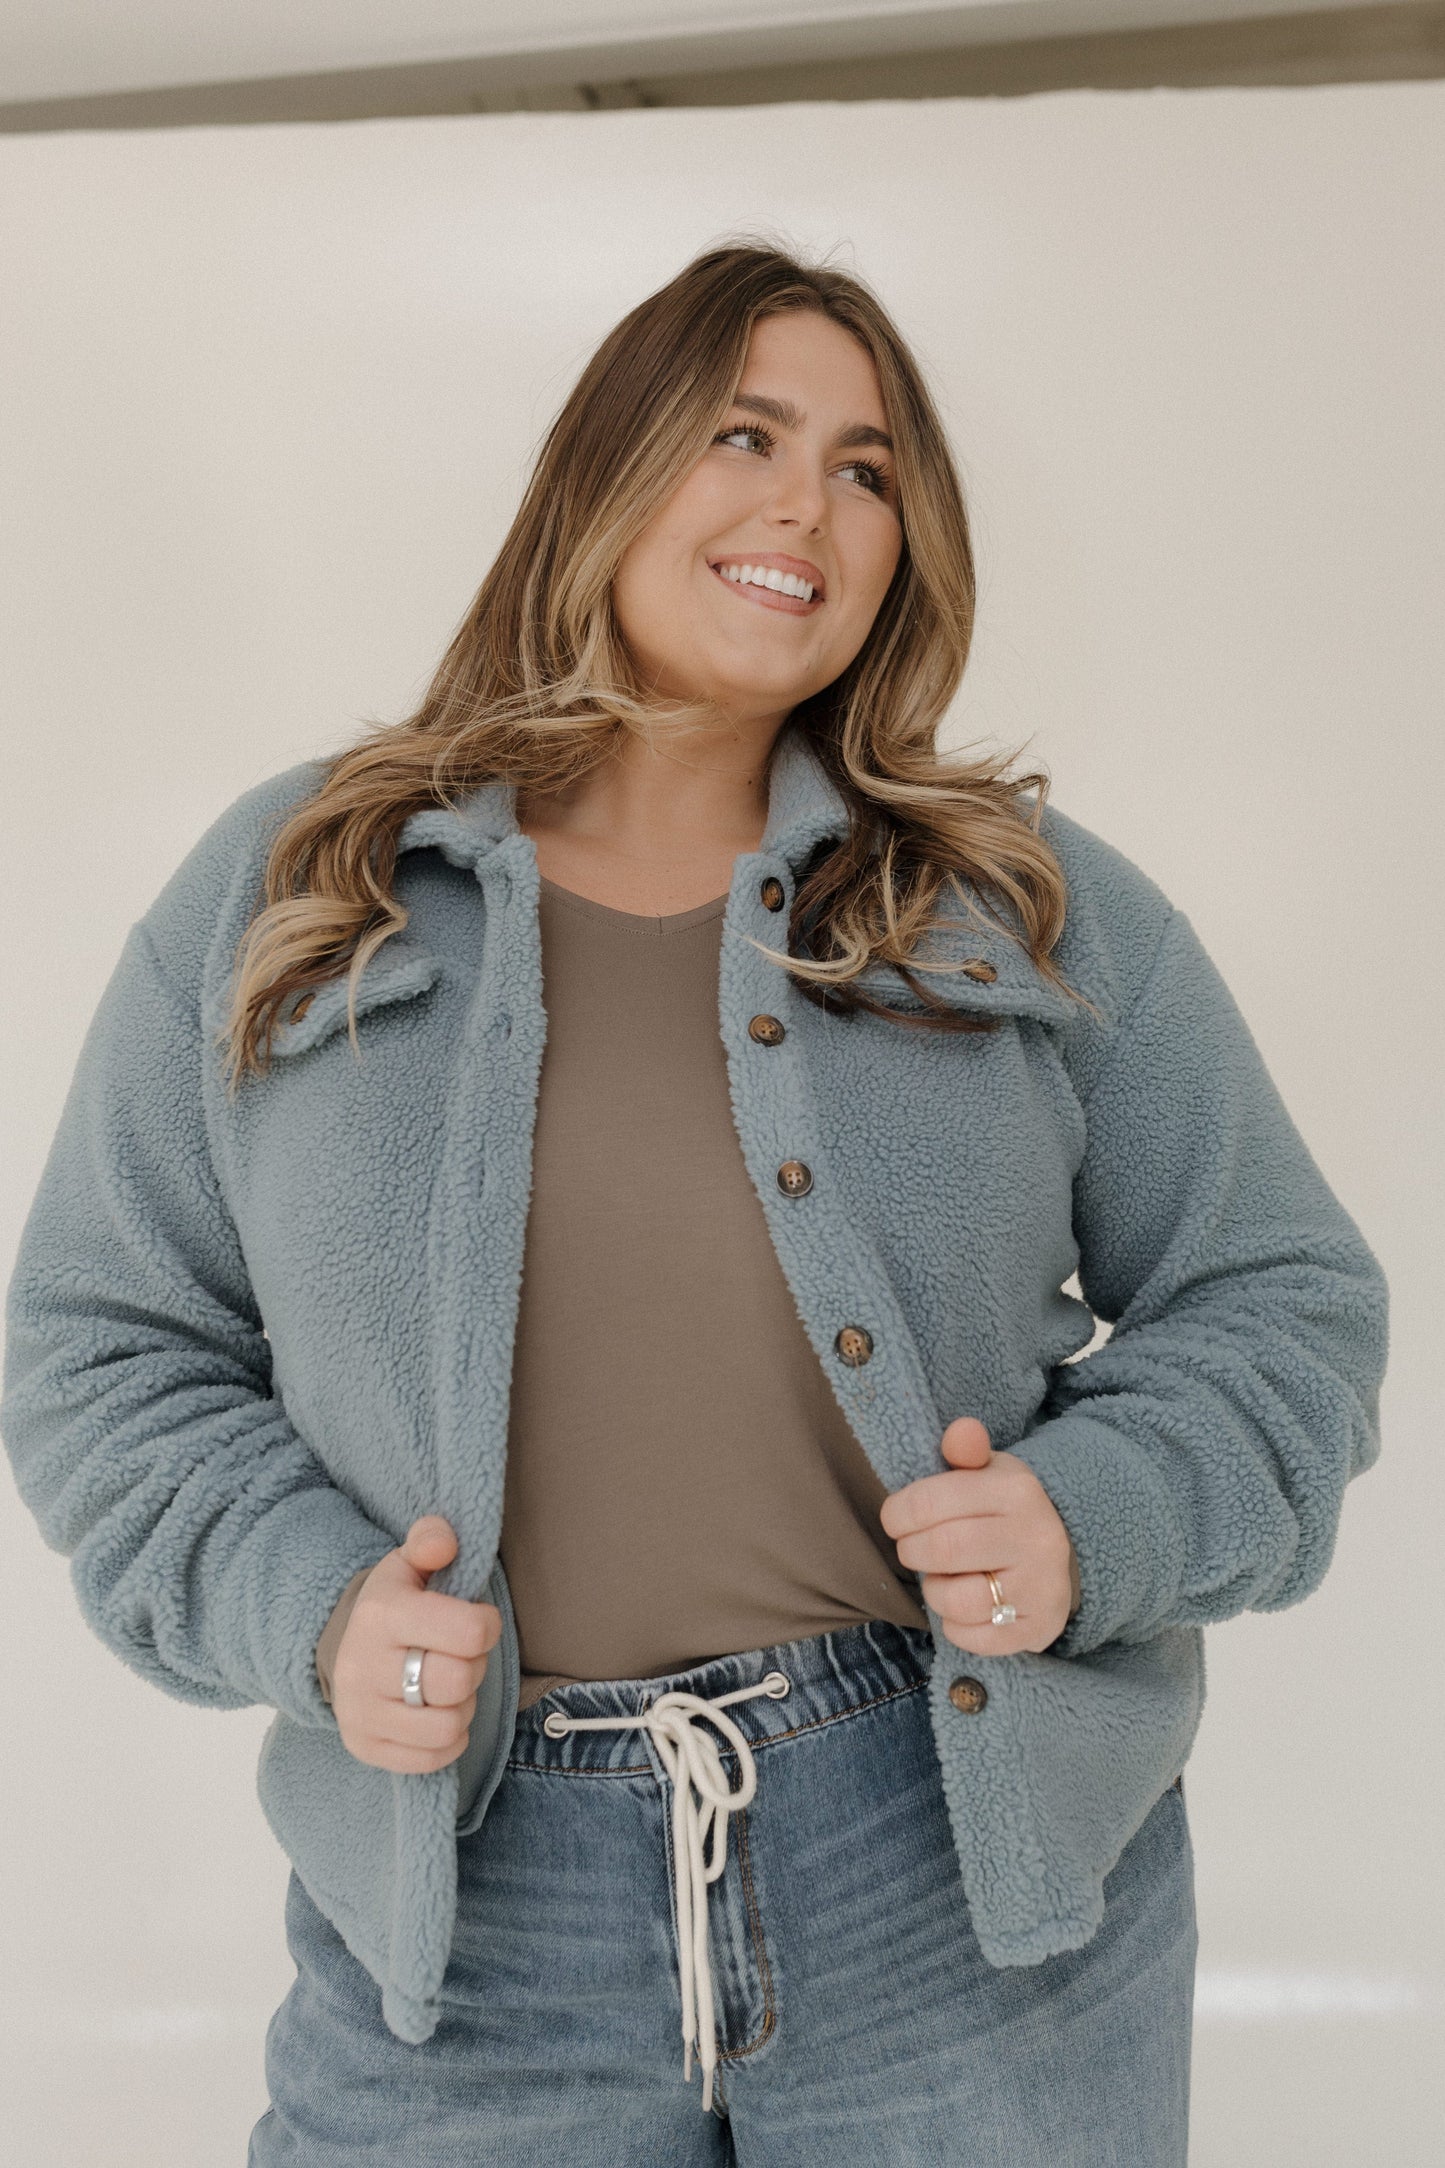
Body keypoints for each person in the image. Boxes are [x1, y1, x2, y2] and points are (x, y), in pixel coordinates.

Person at [1, 240, 1388, 2165]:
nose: (804, 505)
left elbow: (1282, 1299)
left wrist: (1095, 1519)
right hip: (468, 1912)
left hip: (950, 1868)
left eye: (866, 466)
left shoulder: (1015, 901)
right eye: (745, 433)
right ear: (607, 466)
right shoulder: (302, 881)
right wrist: (300, 1613)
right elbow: (99, 1347)